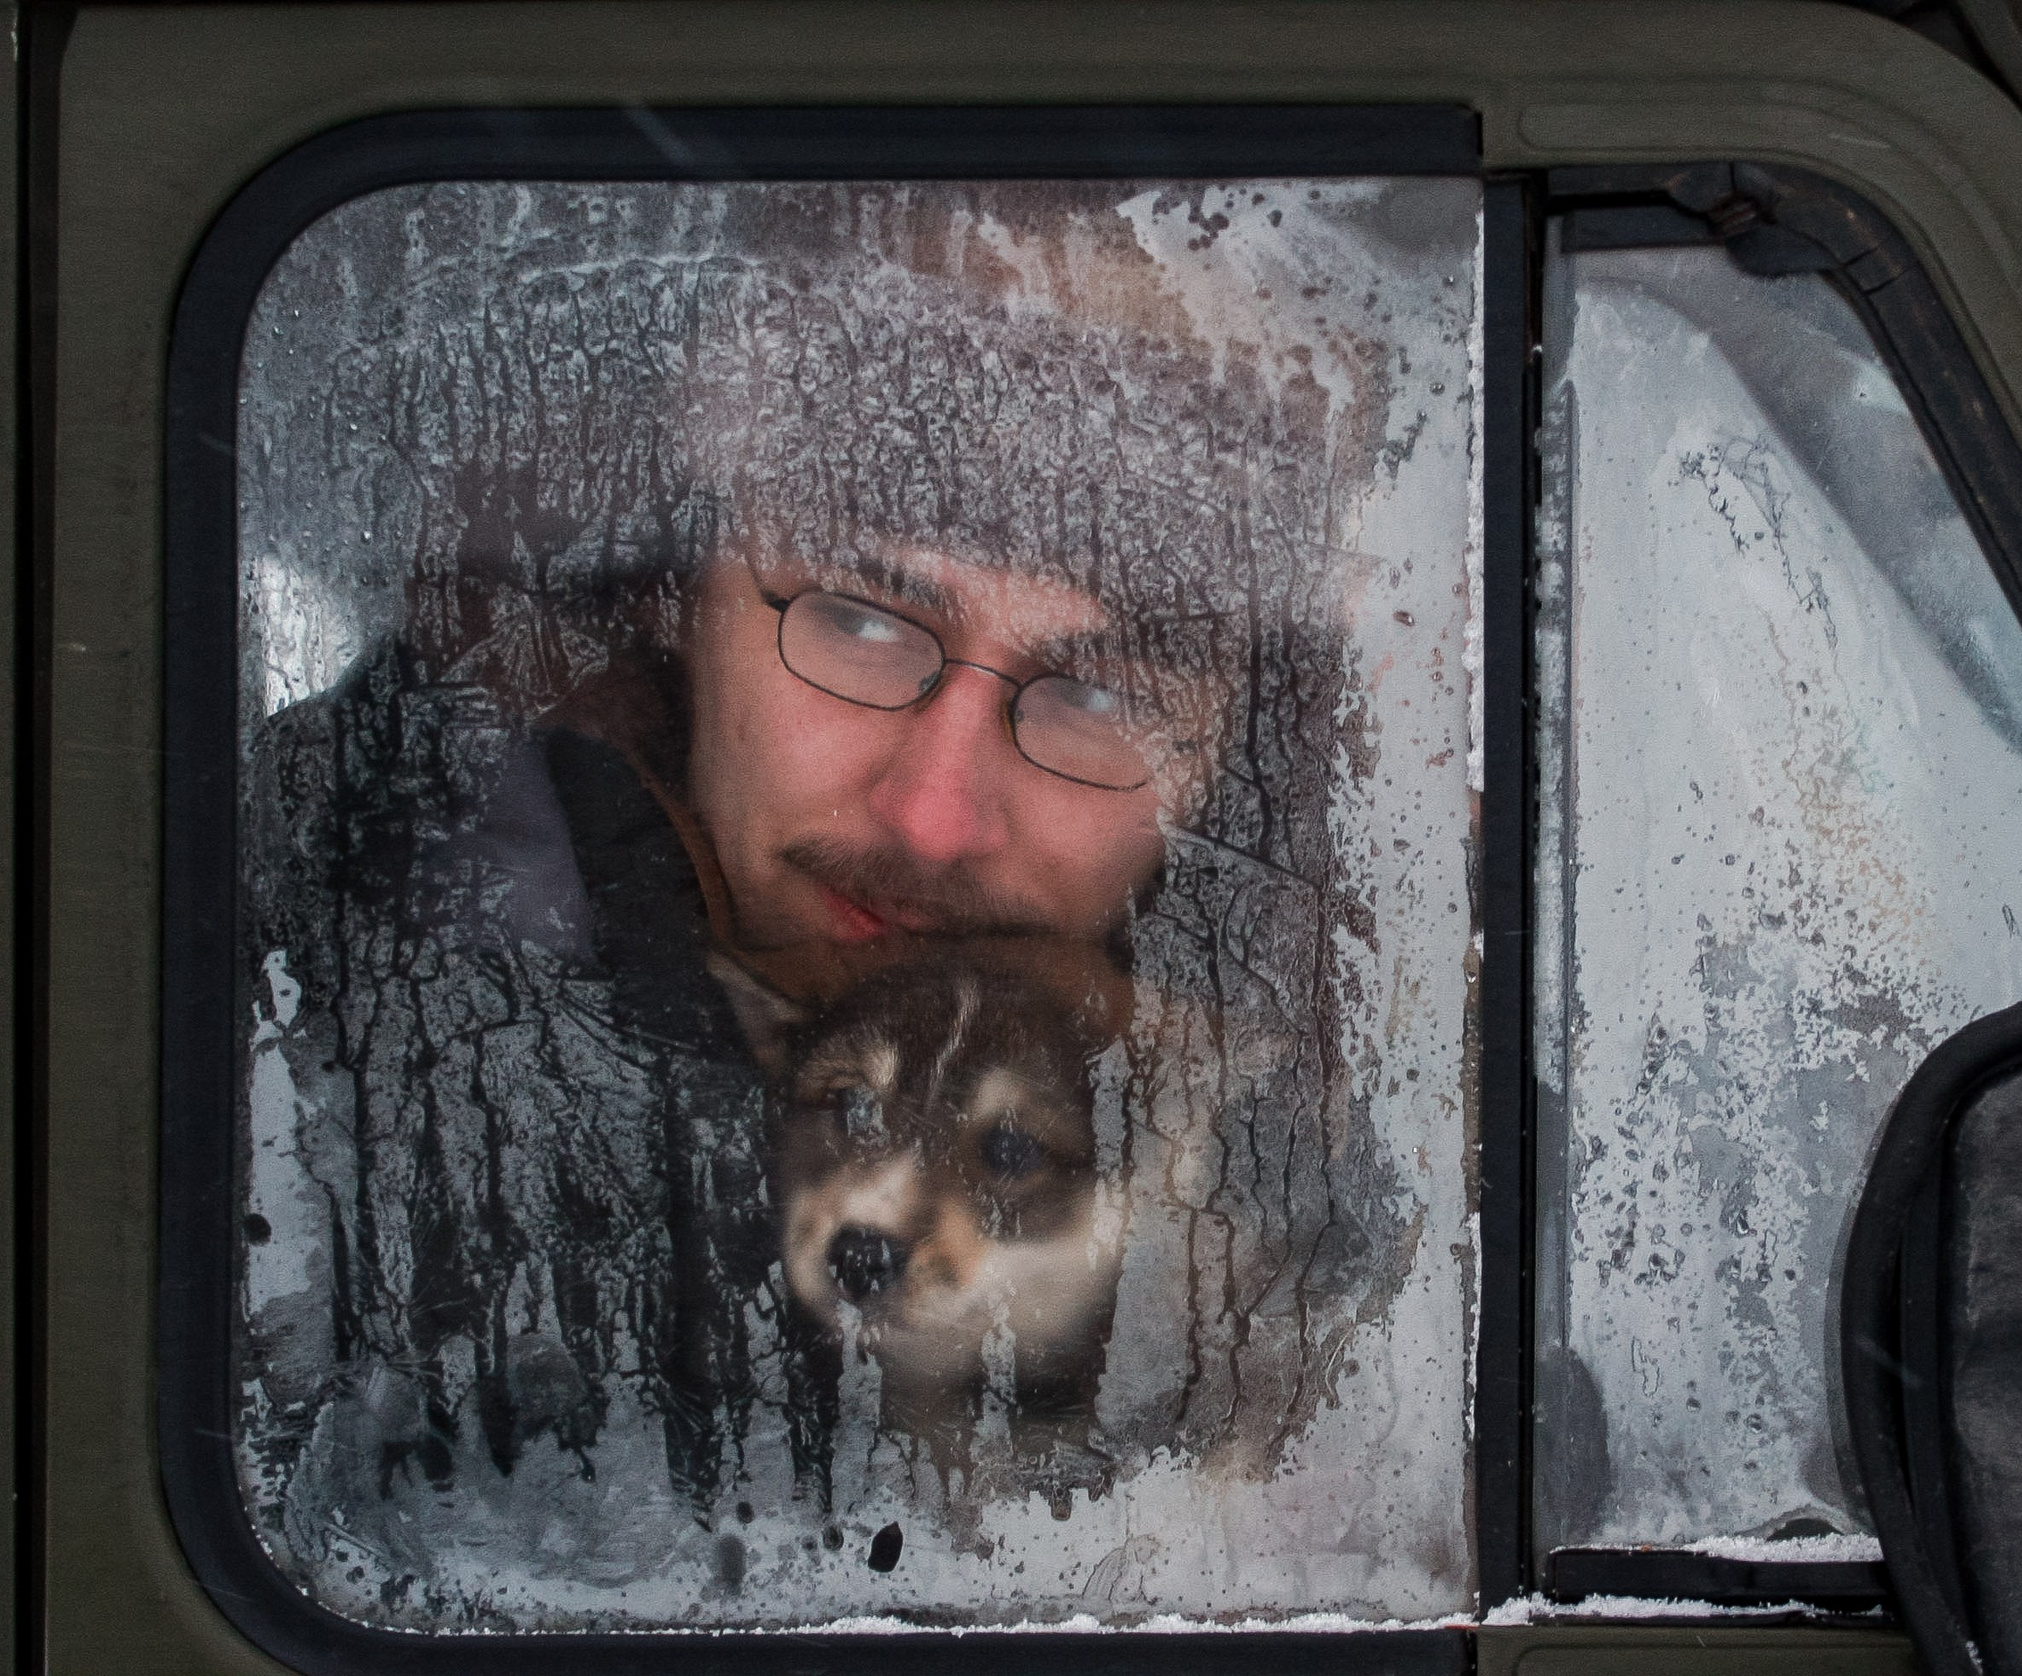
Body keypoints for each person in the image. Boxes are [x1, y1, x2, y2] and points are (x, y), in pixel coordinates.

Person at [232, 179, 1434, 1623]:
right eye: (863, 618)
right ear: (682, 585)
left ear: (1238, 743)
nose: (933, 815)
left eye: (1101, 689)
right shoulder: (280, 985)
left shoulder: (1403, 1134)